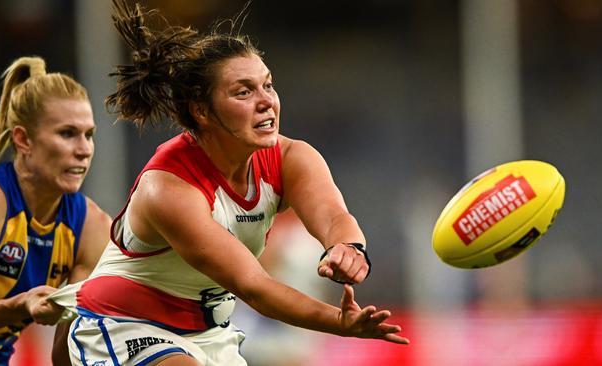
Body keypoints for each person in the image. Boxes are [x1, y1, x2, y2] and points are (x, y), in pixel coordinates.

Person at [49, 1, 409, 365]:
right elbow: (255, 287)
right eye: (243, 92)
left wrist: (348, 247)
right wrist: (339, 322)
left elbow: (334, 217)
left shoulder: (293, 158)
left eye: (268, 85)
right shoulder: (169, 188)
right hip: (125, 323)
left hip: (208, 334)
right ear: (201, 111)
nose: (266, 101)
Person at [0, 56, 111, 366]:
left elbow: (64, 351)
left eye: (89, 134)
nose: (84, 150)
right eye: (67, 133)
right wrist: (19, 306)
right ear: (23, 139)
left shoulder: (92, 227)